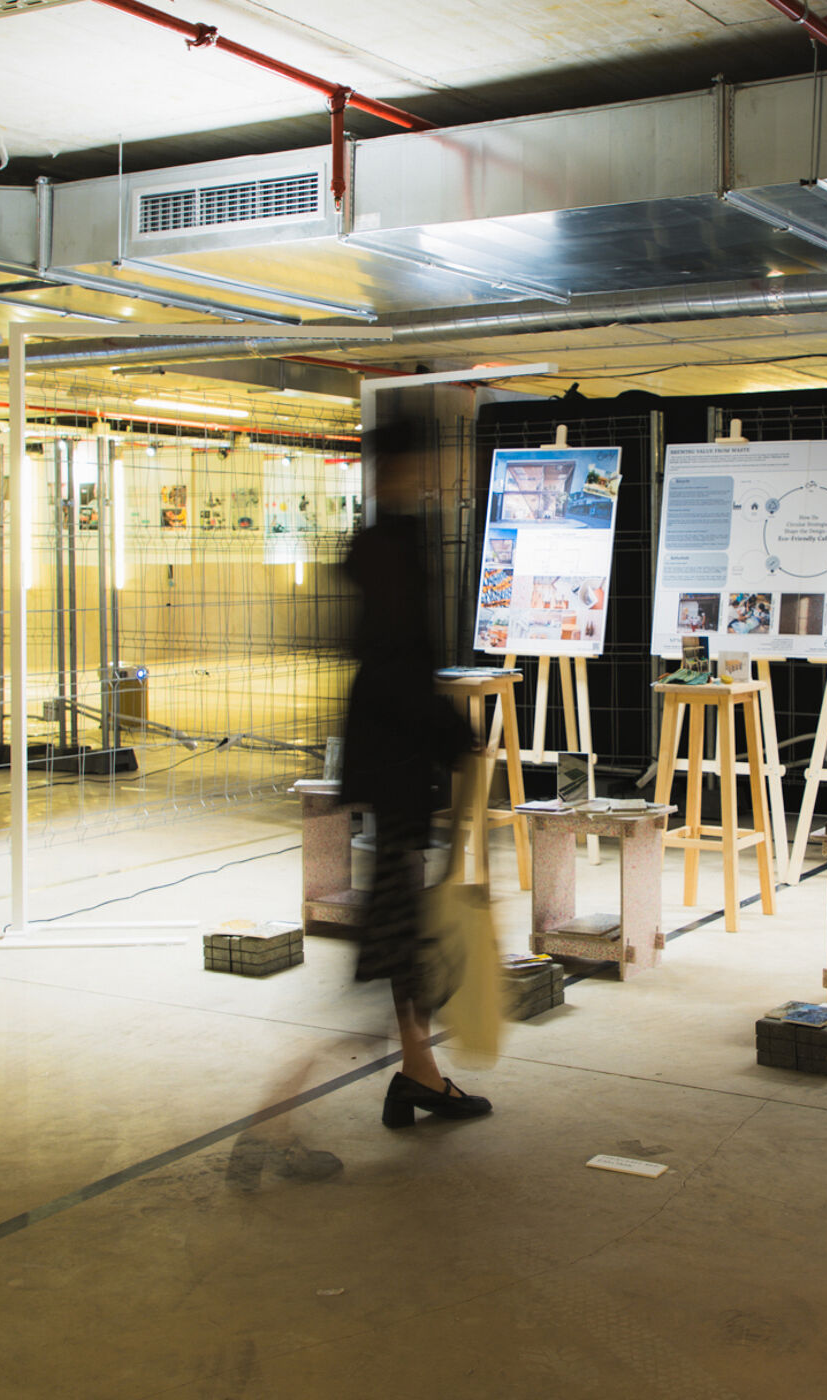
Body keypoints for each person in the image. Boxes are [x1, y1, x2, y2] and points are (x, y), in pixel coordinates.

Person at [339, 419, 493, 1129]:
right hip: (399, 752)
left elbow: (383, 654)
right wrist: (449, 733)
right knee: (407, 920)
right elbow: (398, 659)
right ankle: (417, 1070)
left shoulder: (380, 542)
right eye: (424, 461)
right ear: (397, 468)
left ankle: (416, 1067)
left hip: (391, 749)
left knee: (404, 914)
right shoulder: (393, 546)